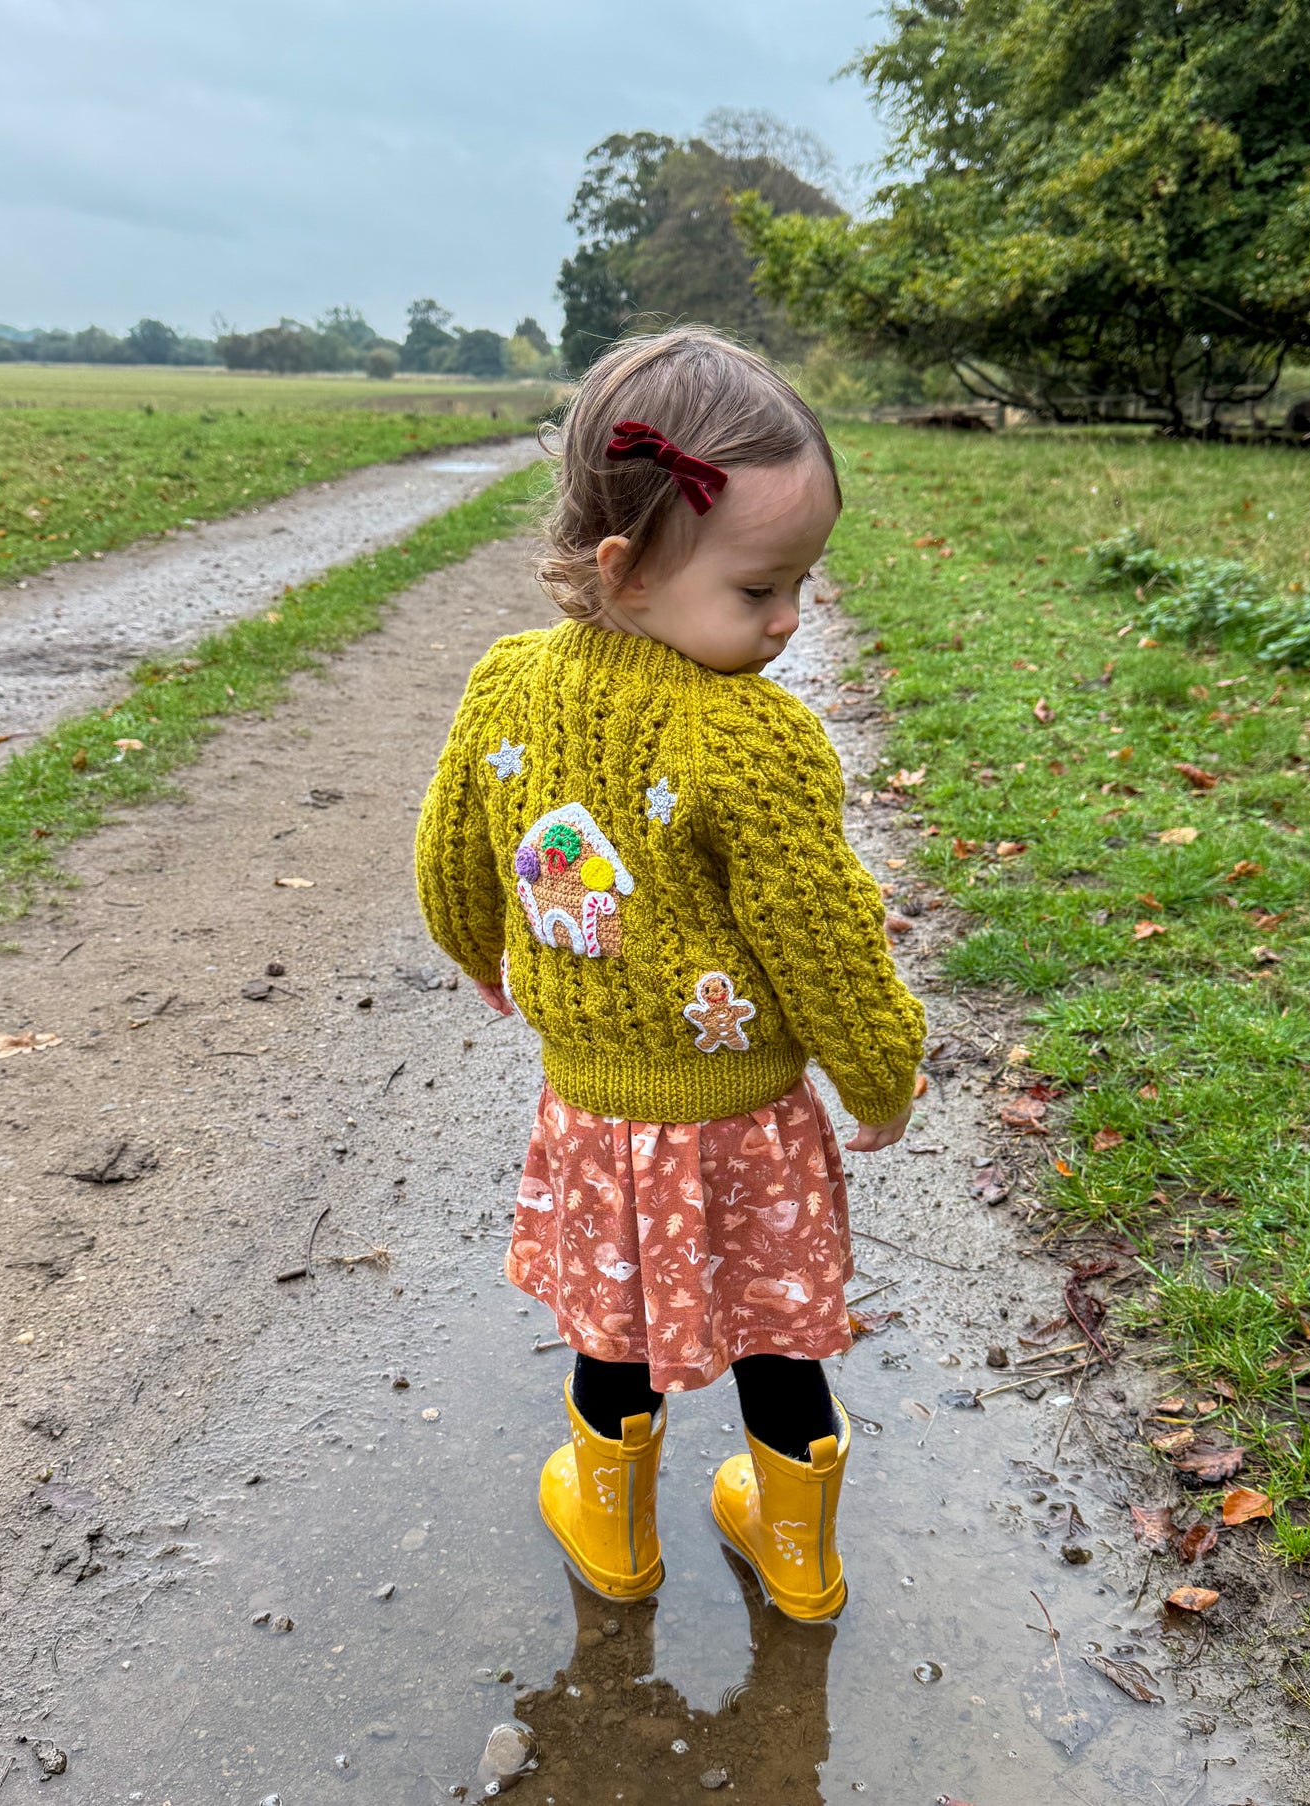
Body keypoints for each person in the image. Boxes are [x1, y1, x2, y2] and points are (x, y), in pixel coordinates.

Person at [416, 326, 925, 1622]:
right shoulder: (750, 735)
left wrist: (475, 944)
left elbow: (453, 856)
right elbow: (827, 937)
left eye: (803, 582)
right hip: (748, 1123)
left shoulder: (505, 686)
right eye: (759, 590)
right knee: (777, 1330)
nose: (789, 618)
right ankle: (795, 1548)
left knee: (613, 1329)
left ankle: (610, 1520)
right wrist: (877, 1070)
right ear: (624, 568)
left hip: (597, 1117)